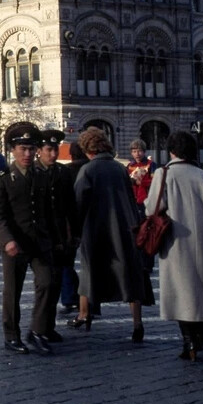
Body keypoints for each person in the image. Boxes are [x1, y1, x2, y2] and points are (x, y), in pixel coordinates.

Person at [71, 126, 153, 342]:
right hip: (124, 227)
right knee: (129, 273)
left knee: (89, 270)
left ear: (87, 149)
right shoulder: (119, 168)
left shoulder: (88, 171)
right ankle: (137, 323)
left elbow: (79, 202)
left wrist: (74, 231)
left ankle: (84, 313)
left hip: (96, 228)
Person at [0, 123, 58, 355]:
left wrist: (56, 238)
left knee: (47, 283)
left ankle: (37, 330)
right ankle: (11, 335)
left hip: (39, 242)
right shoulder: (3, 178)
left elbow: (48, 210)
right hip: (15, 244)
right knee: (12, 291)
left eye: (31, 149)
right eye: (22, 149)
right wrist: (7, 239)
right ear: (13, 150)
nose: (27, 154)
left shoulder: (41, 175)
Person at [145, 131, 203, 360]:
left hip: (175, 238)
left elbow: (153, 207)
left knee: (180, 291)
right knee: (197, 289)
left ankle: (189, 341)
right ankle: (196, 337)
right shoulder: (202, 175)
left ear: (171, 150)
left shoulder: (165, 174)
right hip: (202, 237)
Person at [37, 130, 79, 315]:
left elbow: (71, 206)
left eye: (56, 150)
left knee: (62, 271)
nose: (53, 154)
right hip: (41, 234)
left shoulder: (64, 172)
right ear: (39, 150)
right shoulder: (33, 172)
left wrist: (75, 233)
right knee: (46, 280)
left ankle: (51, 321)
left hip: (63, 234)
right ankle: (43, 322)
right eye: (49, 150)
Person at [127, 138, 156, 214]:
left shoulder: (151, 164)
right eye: (134, 151)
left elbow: (155, 181)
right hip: (132, 199)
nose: (137, 154)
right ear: (131, 153)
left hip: (146, 198)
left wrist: (142, 182)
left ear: (144, 152)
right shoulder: (129, 166)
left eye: (139, 151)